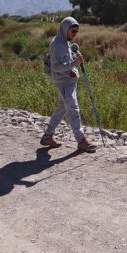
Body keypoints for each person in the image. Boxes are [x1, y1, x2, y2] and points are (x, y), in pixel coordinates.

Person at [40, 17, 96, 153]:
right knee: (73, 108)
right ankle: (81, 140)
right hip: (63, 82)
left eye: (77, 31)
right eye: (73, 31)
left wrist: (75, 57)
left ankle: (48, 136)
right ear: (65, 29)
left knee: (62, 108)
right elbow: (57, 67)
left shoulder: (65, 42)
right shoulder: (56, 44)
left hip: (69, 81)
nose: (75, 34)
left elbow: (66, 59)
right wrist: (74, 63)